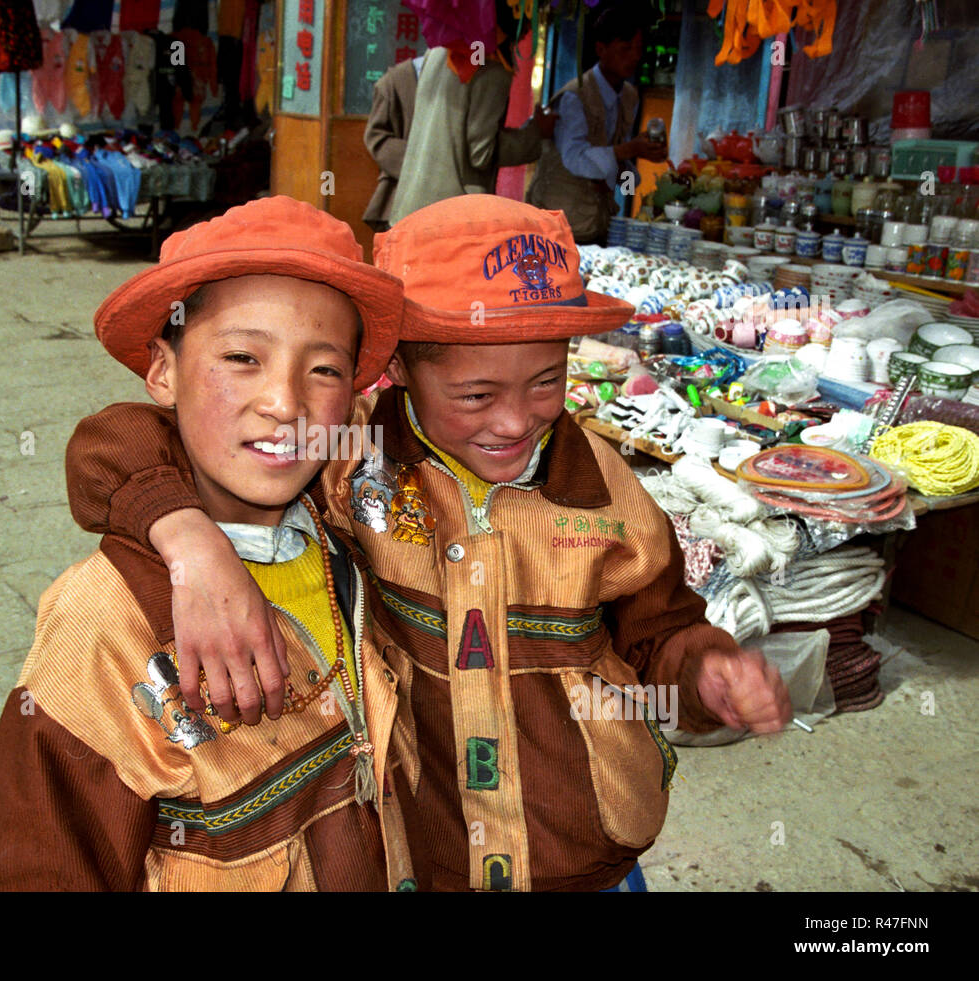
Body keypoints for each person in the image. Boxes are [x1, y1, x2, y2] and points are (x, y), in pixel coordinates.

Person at [62, 195, 794, 891]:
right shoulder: (351, 452)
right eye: (475, 395)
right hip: (431, 854)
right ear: (399, 369)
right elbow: (122, 440)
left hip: (589, 857)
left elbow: (658, 627)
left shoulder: (603, 488)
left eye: (546, 382)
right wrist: (188, 537)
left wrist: (703, 671)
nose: (514, 422)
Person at [0, 196, 419, 892]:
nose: (284, 401)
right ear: (162, 370)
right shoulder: (104, 626)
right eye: (242, 356)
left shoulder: (351, 516)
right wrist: (184, 541)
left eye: (325, 369)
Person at [388, 5, 555, 225]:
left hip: (409, 209)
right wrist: (535, 134)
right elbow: (481, 153)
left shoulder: (439, 52)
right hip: (449, 218)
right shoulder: (492, 70)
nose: (527, 31)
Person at [527, 6, 668, 244]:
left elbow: (615, 172)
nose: (634, 56)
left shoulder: (628, 96)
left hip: (596, 225)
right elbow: (576, 159)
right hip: (557, 226)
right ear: (601, 49)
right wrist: (631, 150)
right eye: (625, 49)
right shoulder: (574, 97)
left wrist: (641, 189)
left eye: (638, 49)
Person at [361, 54, 422, 233]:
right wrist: (421, 162)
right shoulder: (396, 82)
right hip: (403, 195)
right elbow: (376, 137)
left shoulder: (468, 79)